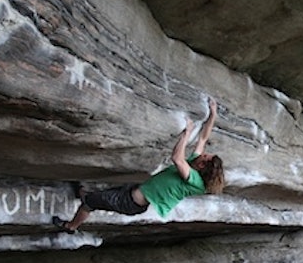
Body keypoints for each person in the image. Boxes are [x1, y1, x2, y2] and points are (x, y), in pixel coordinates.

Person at [52, 98, 225, 232]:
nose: (202, 153)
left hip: (129, 202)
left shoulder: (195, 180)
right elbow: (203, 138)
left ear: (203, 165)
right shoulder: (195, 166)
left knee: (90, 203)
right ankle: (83, 194)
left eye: (204, 156)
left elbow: (177, 158)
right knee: (99, 196)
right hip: (133, 192)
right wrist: (213, 114)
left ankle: (71, 227)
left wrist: (186, 134)